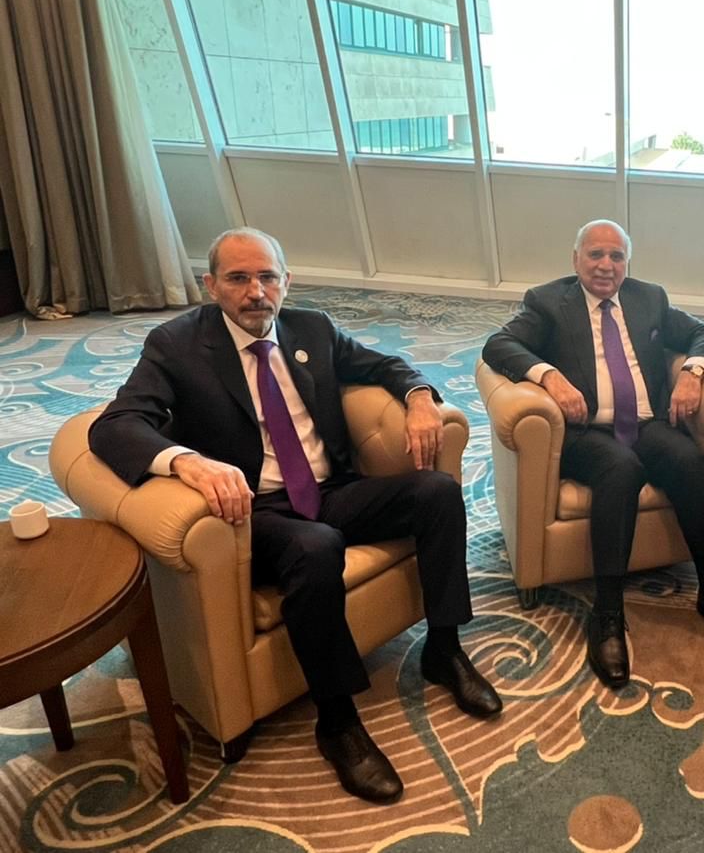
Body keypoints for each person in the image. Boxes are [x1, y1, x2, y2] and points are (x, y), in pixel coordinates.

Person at [90, 228, 501, 804]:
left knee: (437, 492)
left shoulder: (312, 328)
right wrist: (186, 462)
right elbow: (115, 425)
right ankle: (337, 720)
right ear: (211, 285)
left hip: (330, 490)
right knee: (315, 546)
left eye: (267, 277)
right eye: (238, 278)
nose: (255, 292)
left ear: (286, 281)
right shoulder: (176, 344)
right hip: (251, 513)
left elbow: (386, 364)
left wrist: (417, 397)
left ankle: (444, 647)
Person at [482, 219, 704, 689]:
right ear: (576, 259)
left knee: (690, 463)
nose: (606, 265)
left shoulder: (650, 298)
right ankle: (607, 614)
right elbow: (498, 345)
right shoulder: (547, 302)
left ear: (627, 262)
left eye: (617, 256)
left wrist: (692, 373)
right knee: (620, 470)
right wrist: (549, 376)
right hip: (586, 432)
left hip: (646, 423)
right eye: (596, 255)